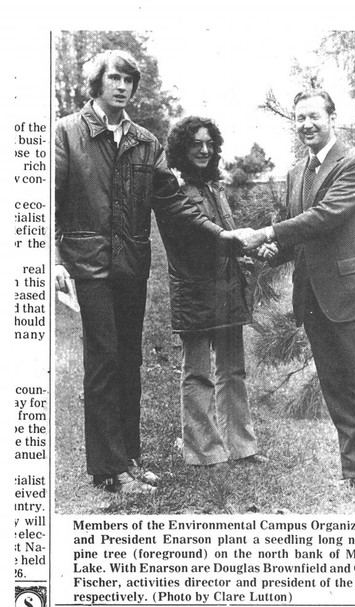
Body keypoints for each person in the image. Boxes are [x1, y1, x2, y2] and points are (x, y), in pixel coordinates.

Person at [55, 50, 240, 494]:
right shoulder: (67, 133)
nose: (122, 86)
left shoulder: (146, 141)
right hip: (89, 266)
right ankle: (108, 471)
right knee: (103, 361)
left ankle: (130, 461)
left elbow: (173, 202)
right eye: (114, 78)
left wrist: (220, 235)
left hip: (131, 266)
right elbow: (45, 200)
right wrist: (54, 260)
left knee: (129, 362)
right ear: (97, 84)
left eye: (129, 80)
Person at [237, 90, 355, 512]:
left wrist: (269, 234)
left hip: (353, 294)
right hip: (314, 296)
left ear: (333, 117)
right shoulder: (296, 173)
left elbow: (327, 216)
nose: (306, 124)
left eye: (314, 116)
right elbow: (307, 236)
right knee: (335, 386)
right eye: (299, 119)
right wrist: (279, 250)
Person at [156, 116, 264, 466]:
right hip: (195, 291)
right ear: (182, 149)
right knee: (198, 372)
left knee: (233, 371)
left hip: (227, 287)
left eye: (209, 144)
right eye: (195, 144)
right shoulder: (172, 187)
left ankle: (242, 448)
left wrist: (254, 245)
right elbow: (196, 225)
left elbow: (229, 233)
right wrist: (227, 238)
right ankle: (204, 452)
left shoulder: (215, 187)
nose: (204, 150)